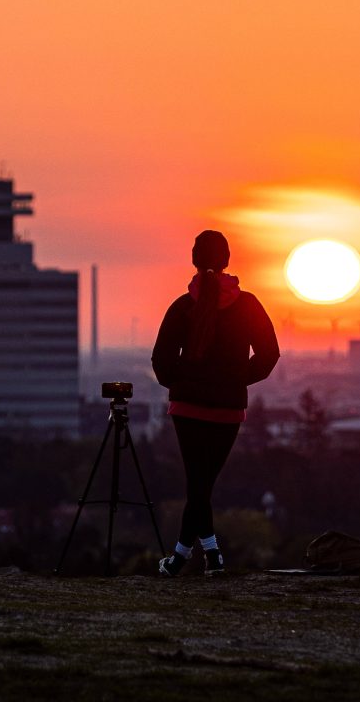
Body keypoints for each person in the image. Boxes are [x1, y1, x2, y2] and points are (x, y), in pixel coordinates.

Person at [151, 230, 280, 576]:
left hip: (187, 409)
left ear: (194, 260)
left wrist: (184, 383)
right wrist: (236, 379)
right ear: (226, 260)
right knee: (202, 485)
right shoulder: (248, 305)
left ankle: (185, 557)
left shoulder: (182, 307)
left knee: (198, 484)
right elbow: (269, 355)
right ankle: (209, 556)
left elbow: (161, 361)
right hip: (228, 410)